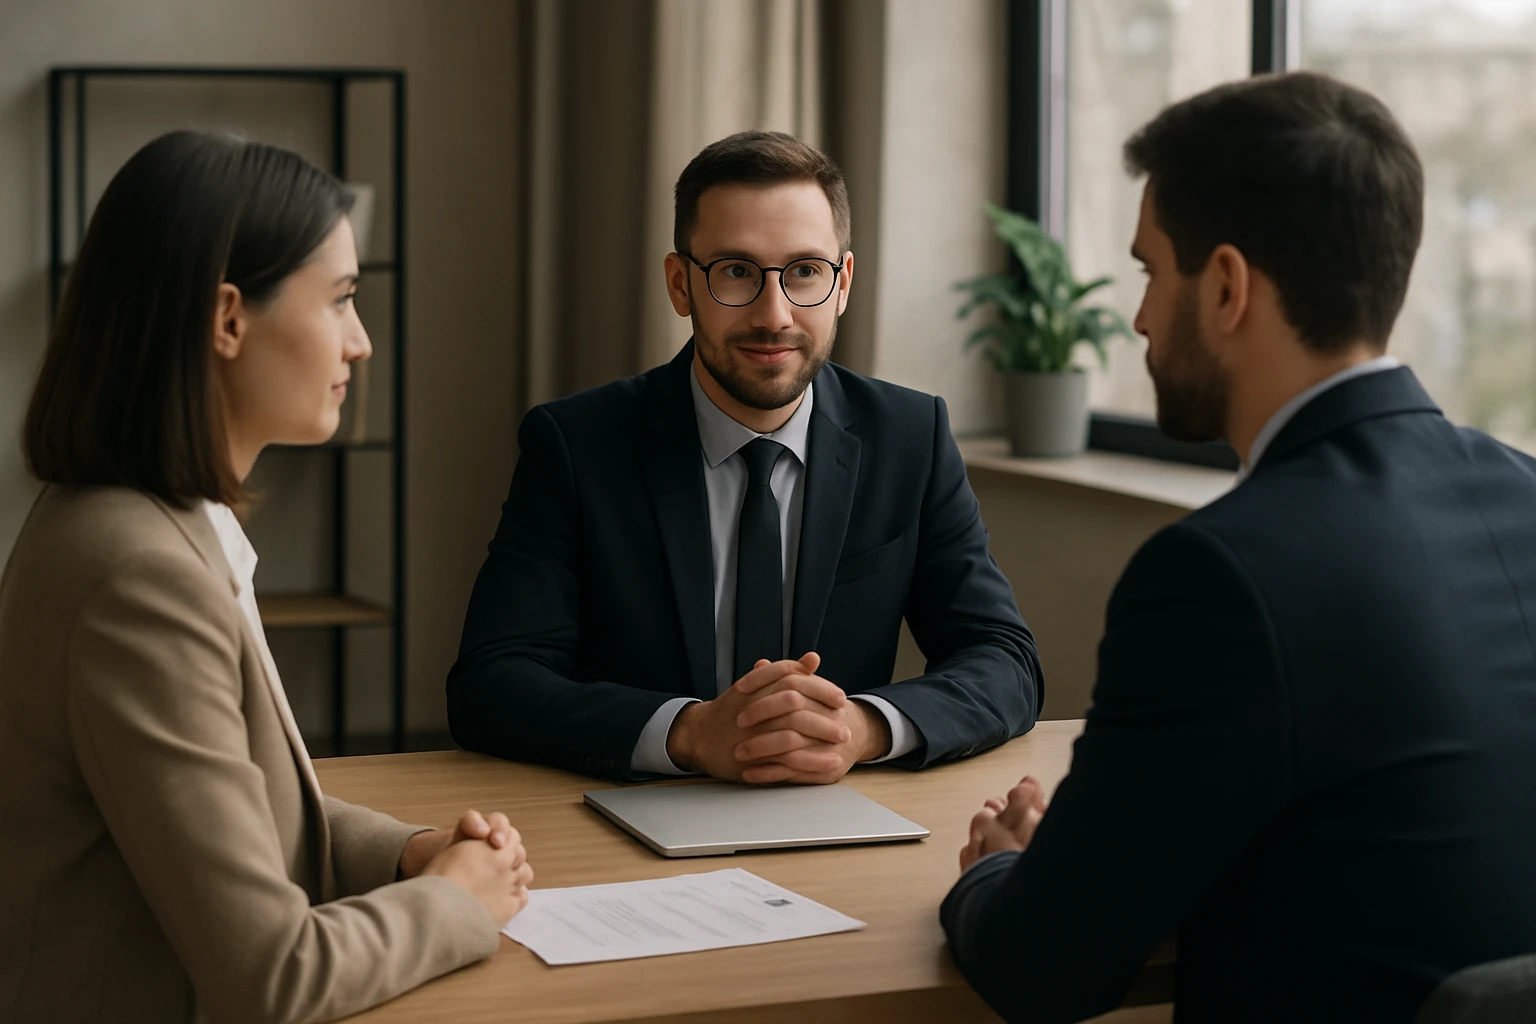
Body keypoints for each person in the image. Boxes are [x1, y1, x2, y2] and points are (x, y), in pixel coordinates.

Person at [941, 71, 1536, 1023]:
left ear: (1224, 287)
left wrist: (1000, 869)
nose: (1136, 319)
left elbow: (1041, 968)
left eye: (1148, 271)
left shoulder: (1221, 576)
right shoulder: (1526, 491)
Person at [0, 131, 534, 1024]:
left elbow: (234, 804)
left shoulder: (139, 524)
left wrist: (409, 854)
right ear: (228, 319)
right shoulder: (139, 574)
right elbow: (273, 978)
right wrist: (456, 904)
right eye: (340, 300)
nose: (360, 343)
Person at [449, 130, 1041, 783]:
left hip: (839, 816)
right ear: (680, 285)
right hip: (636, 821)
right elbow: (491, 683)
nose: (775, 313)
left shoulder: (910, 438)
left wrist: (861, 728)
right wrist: (689, 733)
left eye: (805, 272)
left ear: (843, 284)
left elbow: (1004, 659)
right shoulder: (576, 443)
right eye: (735, 272)